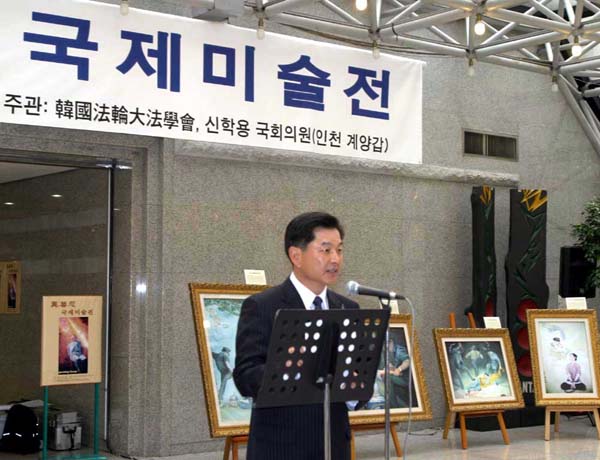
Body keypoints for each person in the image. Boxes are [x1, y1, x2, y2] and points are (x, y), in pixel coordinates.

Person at [233, 212, 359, 460]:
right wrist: (283, 368)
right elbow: (245, 377)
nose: (335, 259)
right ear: (296, 256)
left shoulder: (347, 309)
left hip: (334, 446)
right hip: (281, 446)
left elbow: (353, 377)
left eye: (339, 250)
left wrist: (354, 386)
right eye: (325, 250)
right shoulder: (262, 306)